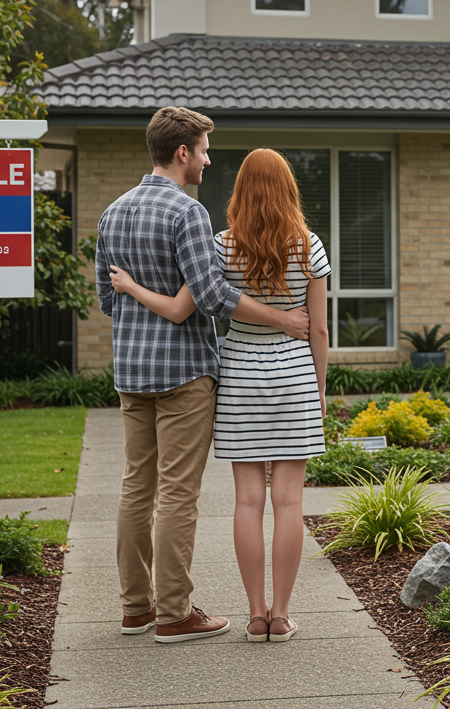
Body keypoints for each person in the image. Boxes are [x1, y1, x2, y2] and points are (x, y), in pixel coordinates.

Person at [95, 107, 310, 645]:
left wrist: (139, 295)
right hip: (184, 373)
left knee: (135, 489)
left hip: (130, 372)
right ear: (183, 152)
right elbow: (212, 298)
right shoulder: (187, 213)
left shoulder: (111, 213)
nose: (209, 160)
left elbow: (106, 300)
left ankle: (134, 609)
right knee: (177, 494)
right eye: (206, 149)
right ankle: (173, 613)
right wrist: (285, 319)